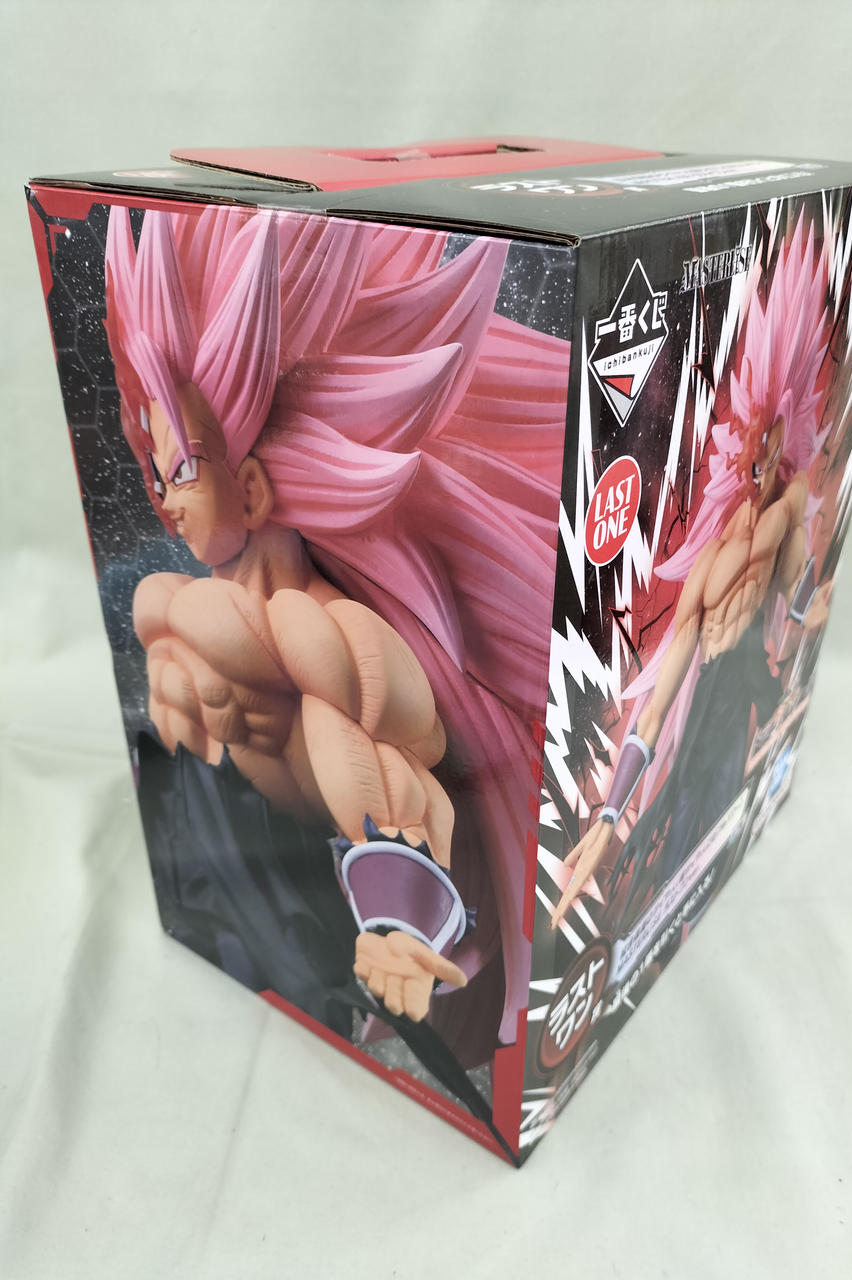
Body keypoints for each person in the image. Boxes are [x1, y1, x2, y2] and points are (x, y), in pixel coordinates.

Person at [104, 202, 570, 1067]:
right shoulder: (180, 608)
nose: (163, 499)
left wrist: (399, 926)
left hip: (373, 957)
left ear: (252, 491)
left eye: (182, 470)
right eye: (156, 471)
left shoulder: (316, 631)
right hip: (251, 923)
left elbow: (391, 785)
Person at [552, 221, 835, 930]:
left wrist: (807, 613)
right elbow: (655, 706)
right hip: (708, 696)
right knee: (677, 834)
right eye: (748, 432)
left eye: (769, 429)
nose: (754, 449)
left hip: (749, 687)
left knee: (714, 827)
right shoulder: (710, 562)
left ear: (782, 423)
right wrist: (607, 817)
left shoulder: (787, 512)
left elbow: (798, 589)